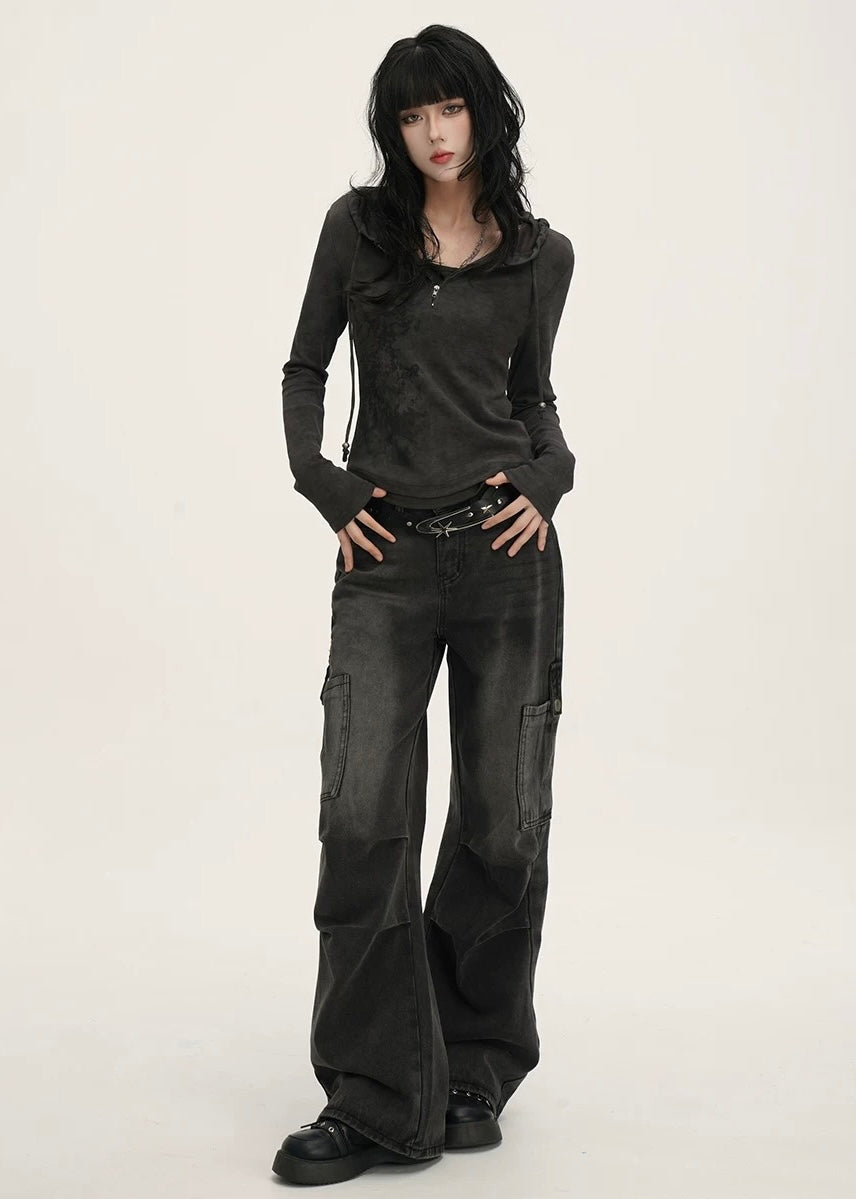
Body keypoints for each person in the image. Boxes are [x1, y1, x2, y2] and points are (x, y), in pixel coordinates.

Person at [271, 23, 577, 1187]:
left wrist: (550, 477)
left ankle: (471, 1066)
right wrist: (321, 481)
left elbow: (534, 400)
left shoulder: (541, 254)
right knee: (361, 817)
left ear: (484, 112)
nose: (433, 133)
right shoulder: (358, 228)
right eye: (410, 115)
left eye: (448, 107)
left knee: (502, 820)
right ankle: (369, 1093)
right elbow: (305, 365)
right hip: (386, 559)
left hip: (506, 559)